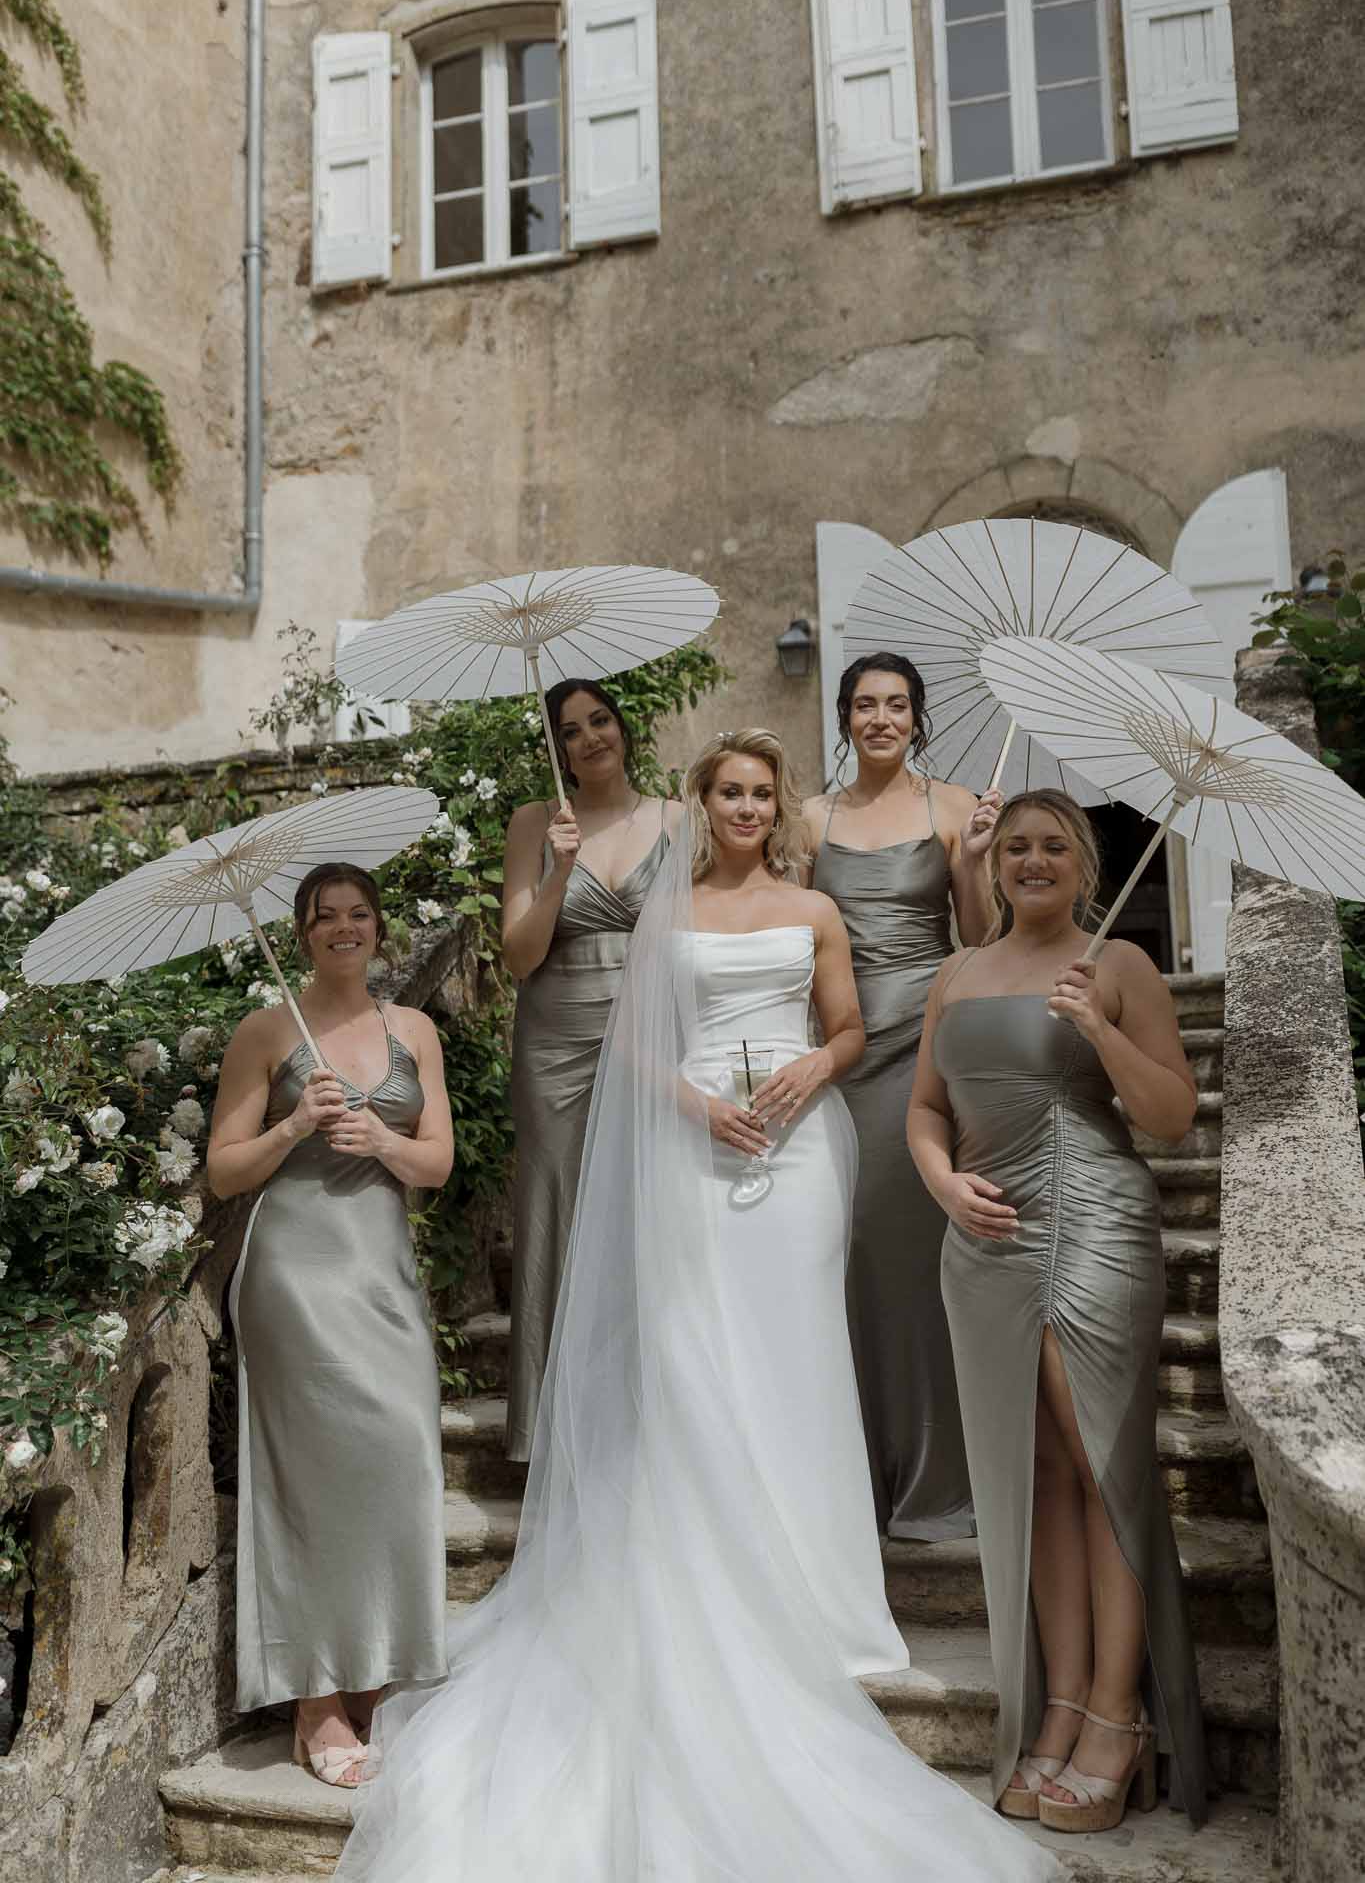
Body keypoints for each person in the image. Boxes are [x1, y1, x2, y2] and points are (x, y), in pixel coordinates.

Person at [332, 732, 1060, 1883]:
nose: (746, 806)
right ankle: (707, 1574)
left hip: (802, 1152)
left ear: (779, 807)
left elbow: (856, 1028)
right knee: (695, 1353)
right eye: (728, 789)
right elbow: (629, 1049)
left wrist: (813, 1073)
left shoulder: (817, 908)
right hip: (694, 1147)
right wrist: (699, 1106)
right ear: (704, 800)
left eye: (763, 793)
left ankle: (820, 1601)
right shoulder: (661, 921)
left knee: (800, 1354)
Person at [908, 791, 1207, 1834]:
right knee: (1033, 1478)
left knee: (1101, 1467)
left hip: (1092, 1222)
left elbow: (1171, 1116)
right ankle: (1064, 1700)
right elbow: (924, 1110)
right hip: (981, 1241)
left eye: (1054, 846)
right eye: (1018, 846)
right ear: (995, 866)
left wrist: (1097, 1030)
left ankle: (1119, 1718)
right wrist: (944, 1184)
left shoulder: (1119, 965)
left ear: (1083, 862)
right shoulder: (958, 970)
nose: (1033, 860)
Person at [208, 863, 454, 1787]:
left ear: (378, 928)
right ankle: (314, 1697)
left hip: (382, 1274)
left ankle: (384, 1674)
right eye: (323, 918)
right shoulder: (267, 1032)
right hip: (294, 1275)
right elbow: (224, 1171)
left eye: (357, 914)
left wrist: (383, 1141)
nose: (341, 929)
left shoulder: (414, 1030)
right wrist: (290, 1130)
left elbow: (435, 1165)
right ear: (303, 933)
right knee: (307, 1482)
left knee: (401, 1456)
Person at [805, 652, 1000, 1541]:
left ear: (916, 717)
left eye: (895, 705)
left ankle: (938, 1475)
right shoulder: (809, 818)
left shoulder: (953, 806)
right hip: (841, 1050)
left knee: (919, 1248)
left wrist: (979, 859)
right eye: (863, 705)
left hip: (927, 1040)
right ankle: (858, 1472)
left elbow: (980, 934)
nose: (879, 718)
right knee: (847, 1249)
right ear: (843, 718)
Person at [501, 677, 678, 1461]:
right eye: (569, 731)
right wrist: (558, 872)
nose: (588, 739)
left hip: (653, 1035)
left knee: (652, 1213)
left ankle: (648, 1414)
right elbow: (517, 956)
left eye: (598, 721)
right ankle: (550, 1430)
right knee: (558, 1215)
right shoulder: (534, 823)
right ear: (559, 749)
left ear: (622, 728)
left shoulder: (680, 820)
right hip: (554, 1043)